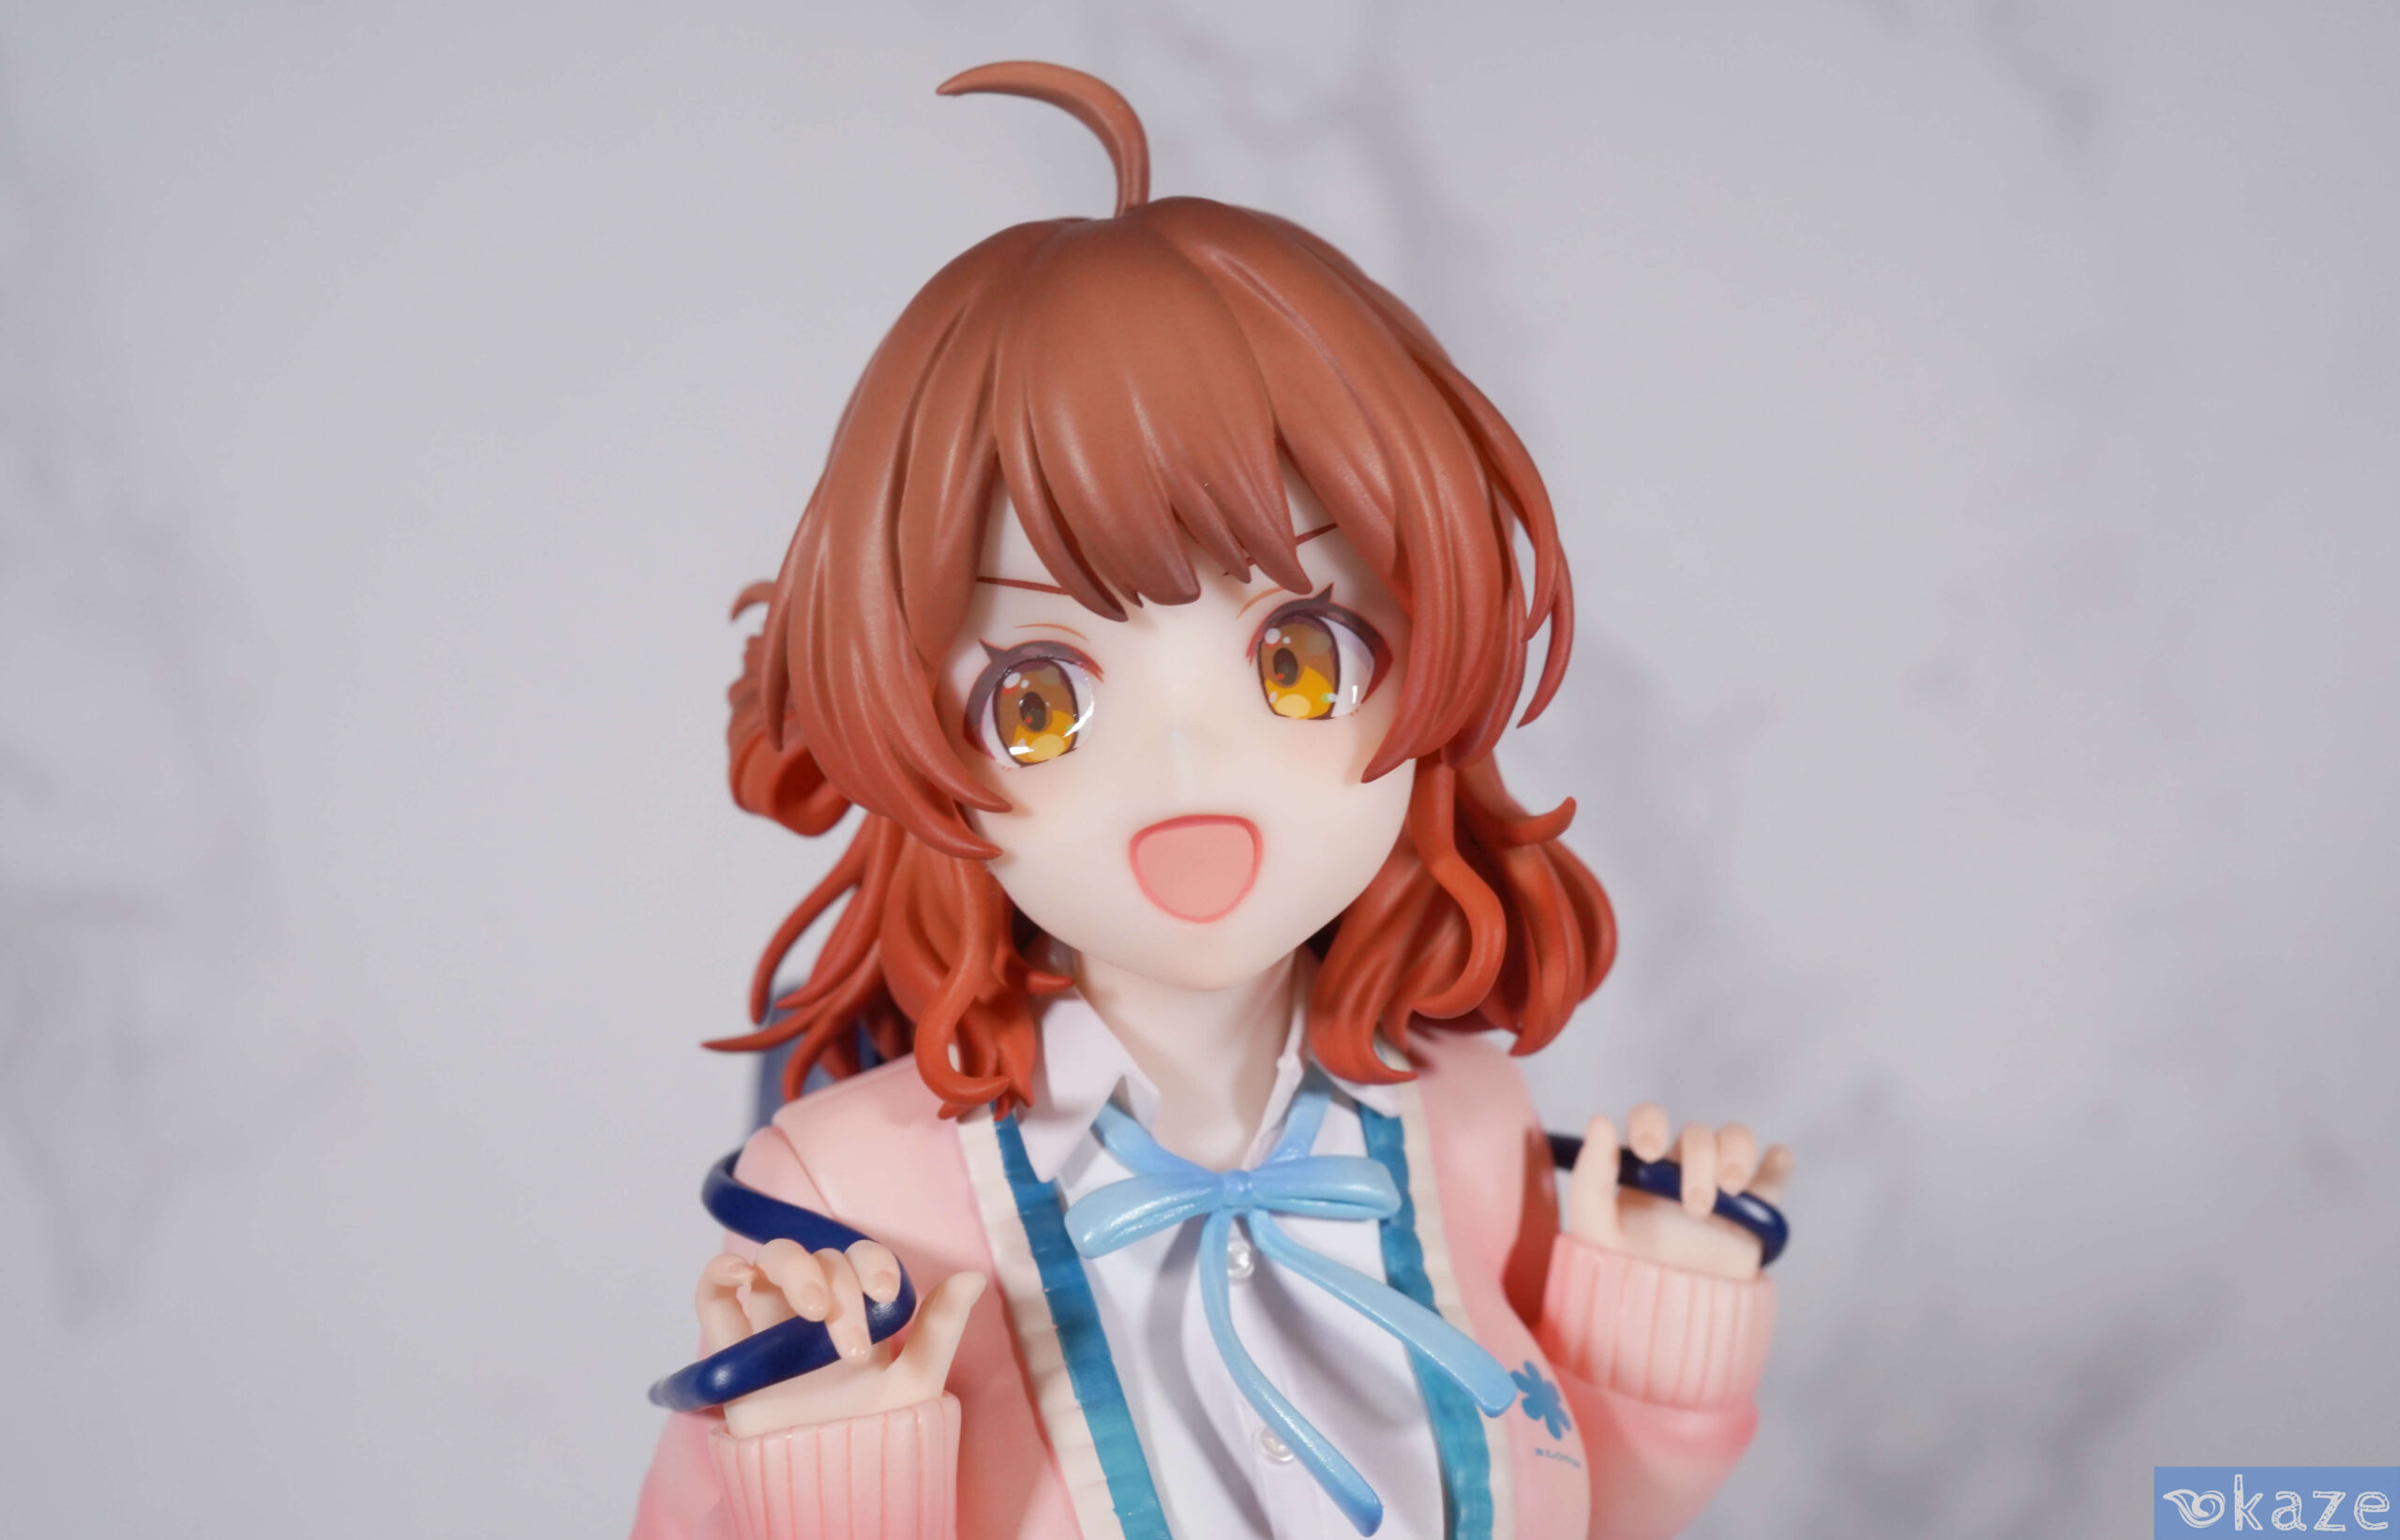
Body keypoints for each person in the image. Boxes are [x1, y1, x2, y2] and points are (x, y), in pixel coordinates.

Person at [631, 60, 1792, 1540]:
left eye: (1299, 661)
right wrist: (828, 1483)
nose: (1185, 766)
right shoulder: (850, 1197)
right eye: (1039, 702)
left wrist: (1652, 1350)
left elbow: (1574, 1503)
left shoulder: (1461, 1122)